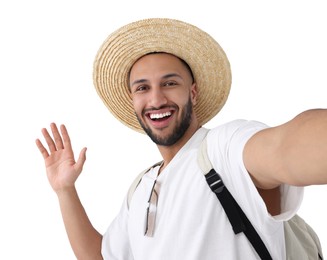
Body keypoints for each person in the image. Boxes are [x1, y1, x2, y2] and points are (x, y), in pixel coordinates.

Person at [35, 18, 327, 259]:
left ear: (194, 92)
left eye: (170, 83)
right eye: (142, 88)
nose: (156, 99)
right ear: (133, 100)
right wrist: (65, 191)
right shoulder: (141, 188)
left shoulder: (222, 149)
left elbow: (285, 148)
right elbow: (102, 257)